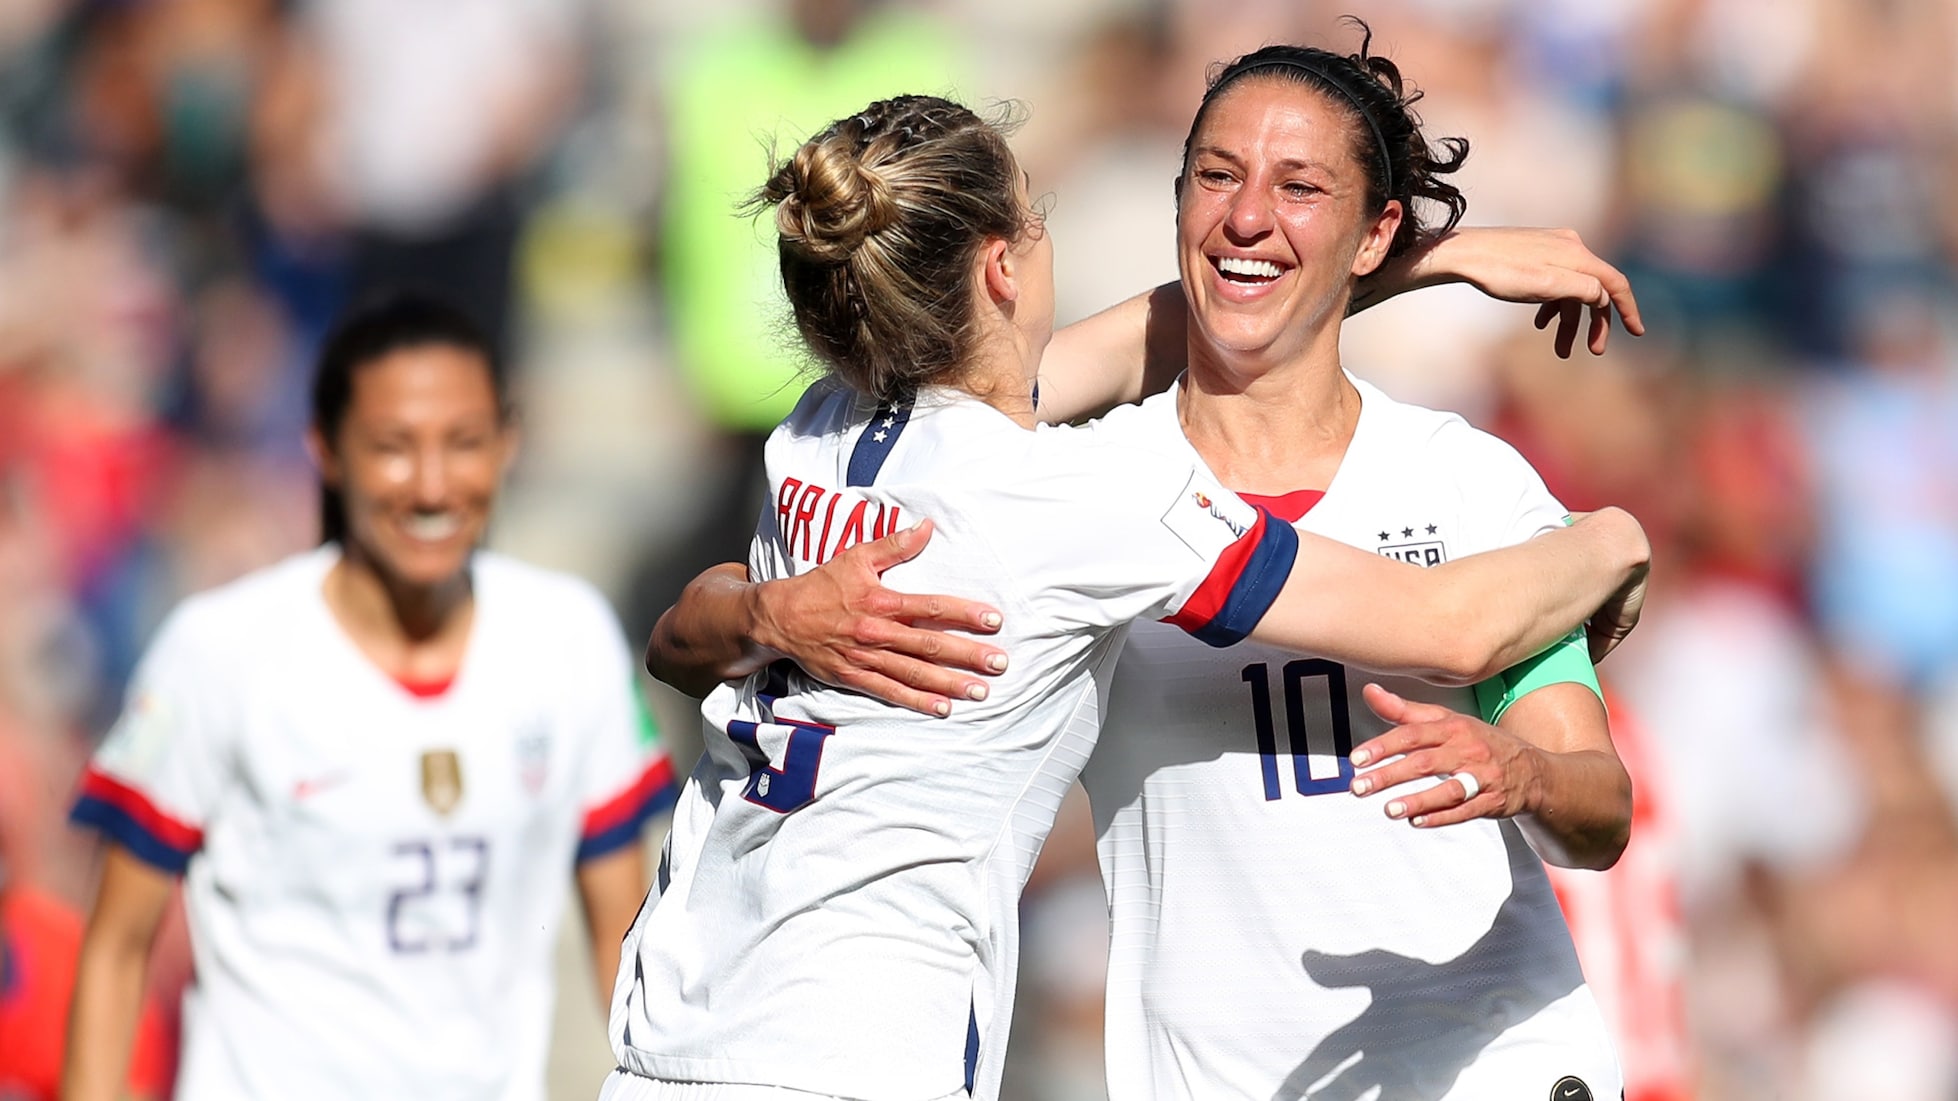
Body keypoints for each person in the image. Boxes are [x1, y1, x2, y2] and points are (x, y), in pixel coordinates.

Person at [653, 32, 1646, 1101]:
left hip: (1482, 1068)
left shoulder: (1466, 482)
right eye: (1215, 177)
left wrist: (1530, 776)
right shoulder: (1093, 491)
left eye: (1300, 187)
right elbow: (1456, 627)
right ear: (1005, 265)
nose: (1245, 214)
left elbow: (1596, 811)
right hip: (978, 1057)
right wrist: (1613, 540)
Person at [63, 293, 677, 1101]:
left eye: (463, 443)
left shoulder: (570, 639)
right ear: (326, 450)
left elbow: (623, 944)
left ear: (508, 444)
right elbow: (115, 946)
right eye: (393, 447)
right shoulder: (219, 651)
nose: (431, 484)